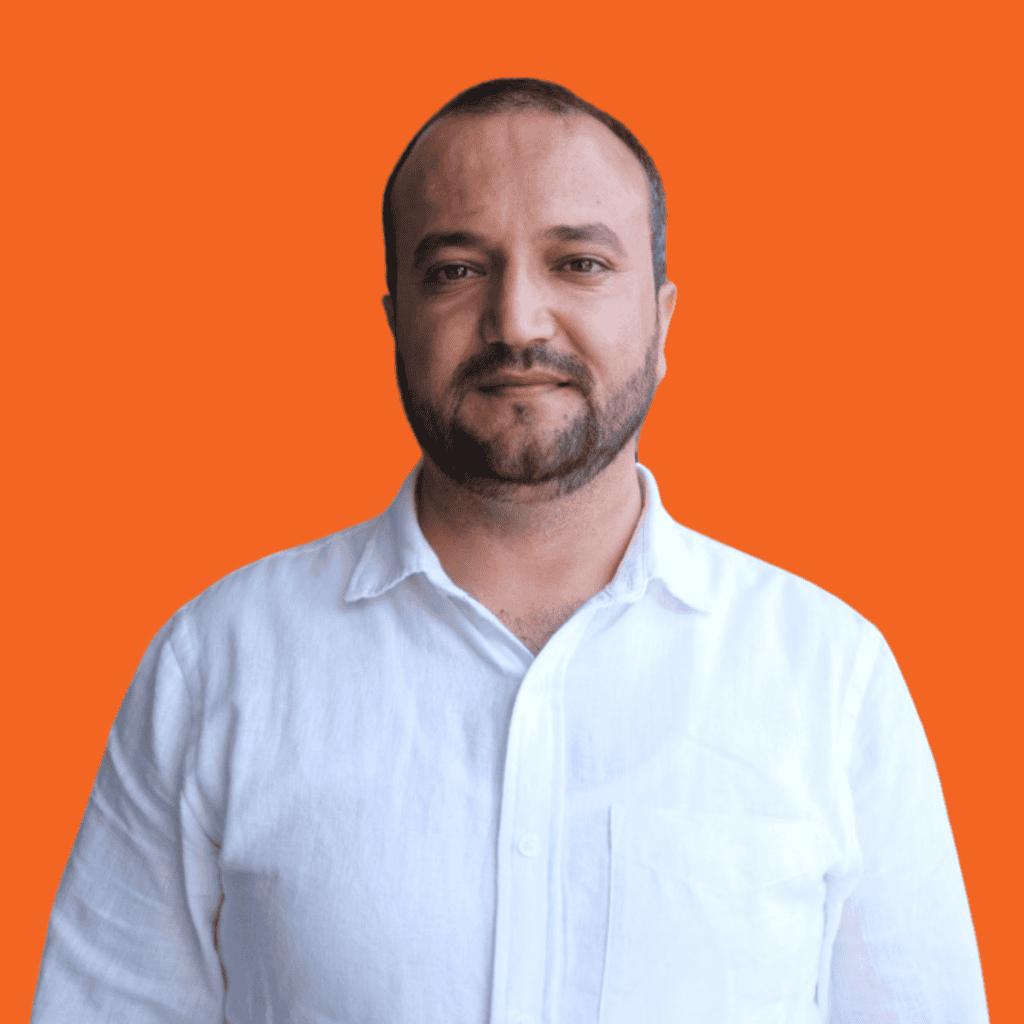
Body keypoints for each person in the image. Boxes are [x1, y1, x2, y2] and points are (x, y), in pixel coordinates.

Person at [32, 78, 988, 1024]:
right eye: (456, 269)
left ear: (661, 323)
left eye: (578, 264)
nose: (518, 321)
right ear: (394, 321)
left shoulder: (830, 675)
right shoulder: (218, 664)